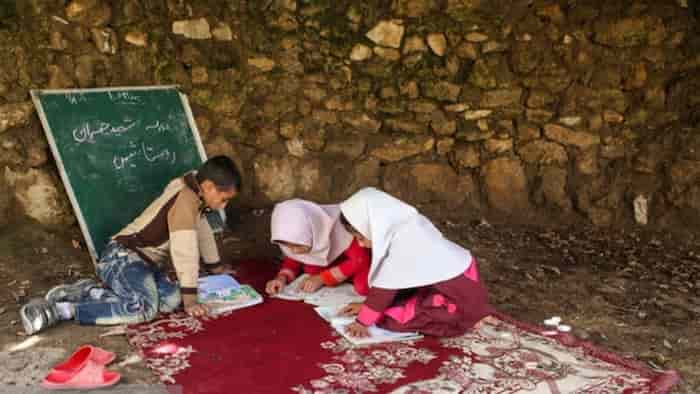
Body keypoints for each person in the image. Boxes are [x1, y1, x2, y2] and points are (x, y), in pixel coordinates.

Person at [20, 155, 242, 335]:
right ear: (209, 187)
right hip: (123, 257)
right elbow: (185, 250)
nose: (224, 205)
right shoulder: (185, 200)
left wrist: (215, 267)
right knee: (144, 309)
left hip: (145, 264)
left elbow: (201, 231)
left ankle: (91, 292)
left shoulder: (195, 195)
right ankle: (64, 310)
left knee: (172, 300)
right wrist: (192, 299)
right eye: (224, 199)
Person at [337, 187, 494, 338]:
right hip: (454, 287)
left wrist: (362, 322)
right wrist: (367, 307)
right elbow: (398, 281)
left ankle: (466, 318)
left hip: (453, 297)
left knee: (393, 320)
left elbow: (384, 290)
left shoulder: (404, 242)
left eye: (360, 237)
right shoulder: (407, 223)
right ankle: (470, 312)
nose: (360, 244)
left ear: (373, 226)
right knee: (397, 303)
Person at [265, 199, 370, 296]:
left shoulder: (341, 229)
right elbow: (293, 260)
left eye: (298, 245)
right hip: (331, 272)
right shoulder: (296, 240)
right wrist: (282, 278)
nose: (294, 251)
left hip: (355, 265)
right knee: (312, 268)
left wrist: (322, 279)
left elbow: (360, 260)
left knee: (363, 286)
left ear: (313, 230)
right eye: (288, 246)